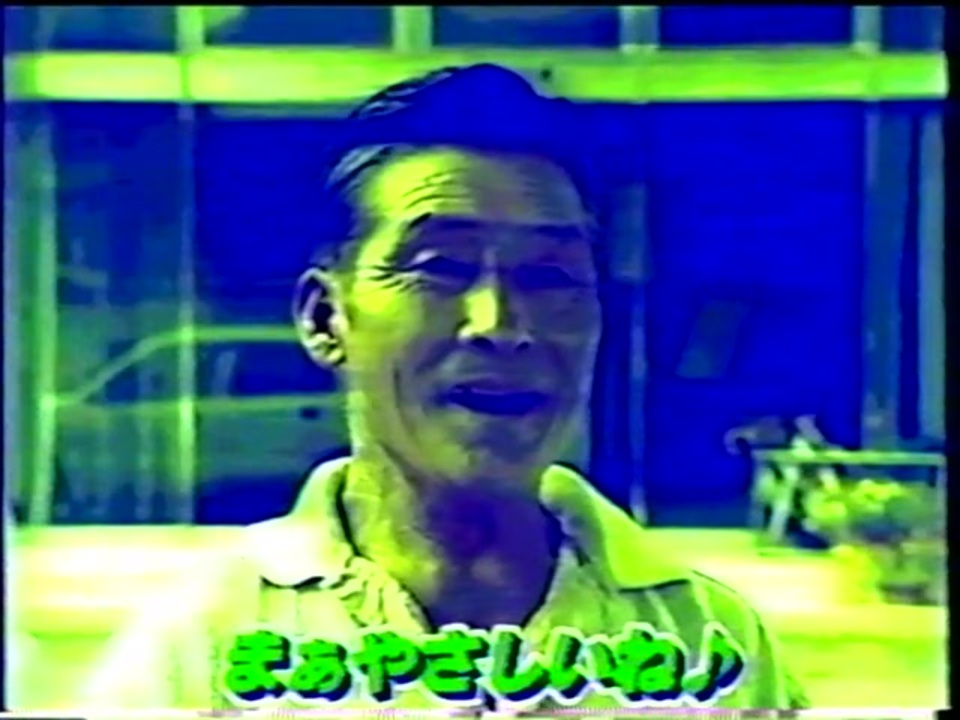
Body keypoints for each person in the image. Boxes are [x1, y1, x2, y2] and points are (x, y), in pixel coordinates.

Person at [81, 64, 809, 713]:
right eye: (439, 268)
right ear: (325, 317)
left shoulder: (707, 644)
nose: (500, 325)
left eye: (549, 276)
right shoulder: (202, 649)